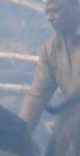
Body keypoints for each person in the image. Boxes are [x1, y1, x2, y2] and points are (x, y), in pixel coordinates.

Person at [22, 0, 80, 131]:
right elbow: (37, 96)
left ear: (74, 6)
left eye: (56, 10)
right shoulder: (50, 50)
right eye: (47, 12)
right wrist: (21, 133)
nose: (50, 18)